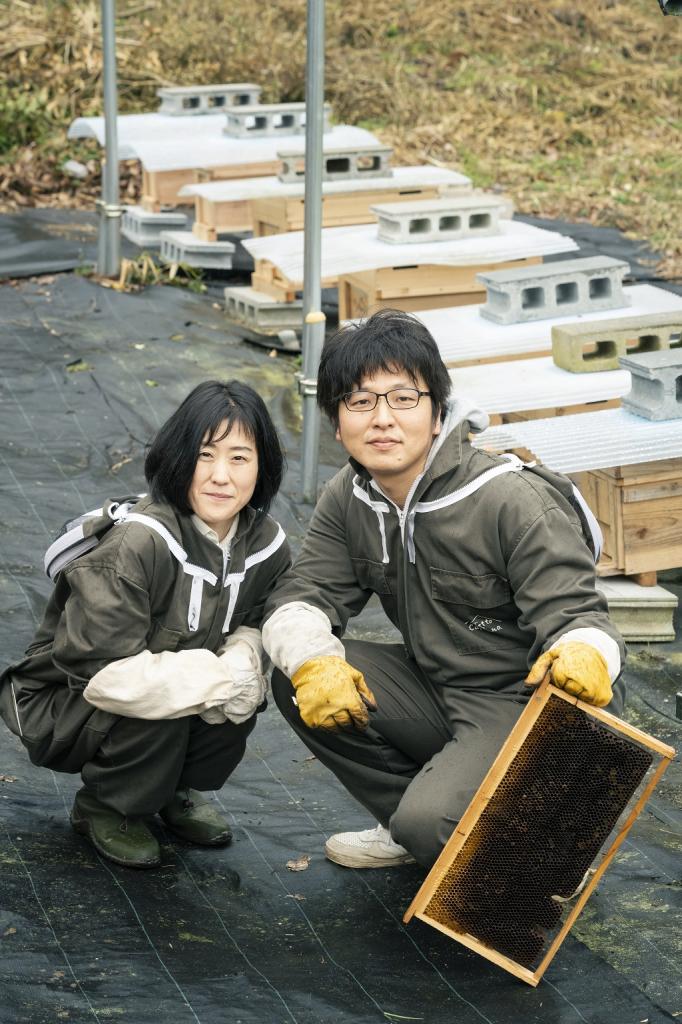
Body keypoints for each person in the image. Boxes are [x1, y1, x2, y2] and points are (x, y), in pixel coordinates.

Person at [262, 309, 625, 871]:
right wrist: (311, 659)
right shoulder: (352, 495)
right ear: (337, 422)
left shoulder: (507, 498)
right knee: (297, 676)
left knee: (432, 825)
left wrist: (585, 651)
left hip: (524, 703)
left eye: (403, 398)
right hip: (436, 687)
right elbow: (303, 593)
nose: (382, 419)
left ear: (438, 411)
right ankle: (424, 823)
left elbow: (581, 617)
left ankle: (533, 845)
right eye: (360, 401)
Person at [0, 380, 290, 869]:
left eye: (240, 458)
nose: (222, 476)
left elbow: (268, 615)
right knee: (175, 695)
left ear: (262, 467)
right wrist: (219, 675)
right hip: (71, 700)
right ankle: (108, 805)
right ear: (178, 458)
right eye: (205, 455)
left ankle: (170, 789)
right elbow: (102, 674)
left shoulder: (265, 543)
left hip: (160, 687)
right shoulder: (138, 542)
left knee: (239, 696)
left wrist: (243, 657)